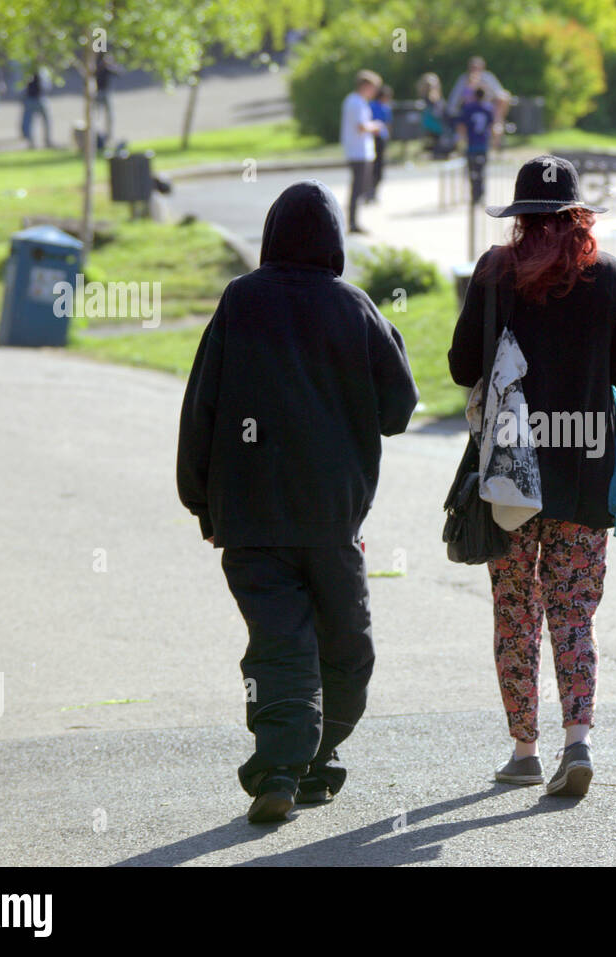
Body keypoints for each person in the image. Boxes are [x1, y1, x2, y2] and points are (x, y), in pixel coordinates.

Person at [176, 180, 419, 824]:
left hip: (249, 518)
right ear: (336, 241)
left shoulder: (240, 301)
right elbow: (399, 410)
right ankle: (300, 761)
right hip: (331, 518)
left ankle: (293, 763)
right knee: (347, 646)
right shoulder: (356, 307)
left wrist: (200, 501)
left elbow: (200, 406)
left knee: (279, 641)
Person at [447, 155, 616, 797]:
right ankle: (578, 742)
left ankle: (524, 750)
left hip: (510, 472)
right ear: (578, 215)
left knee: (515, 611)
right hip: (586, 472)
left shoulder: (493, 273)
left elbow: (460, 367)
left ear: (519, 217)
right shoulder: (610, 275)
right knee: (573, 613)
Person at [340, 70, 384, 234]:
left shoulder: (356, 101)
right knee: (357, 188)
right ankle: (352, 222)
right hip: (358, 151)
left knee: (359, 187)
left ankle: (353, 221)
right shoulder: (356, 102)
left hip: (359, 150)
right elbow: (361, 126)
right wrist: (376, 126)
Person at [448, 57, 510, 149]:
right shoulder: (463, 80)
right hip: (469, 112)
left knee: (502, 100)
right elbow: (454, 102)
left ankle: (496, 140)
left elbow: (500, 94)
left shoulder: (488, 78)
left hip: (486, 110)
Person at [457, 86, 496, 204]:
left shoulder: (468, 108)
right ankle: (481, 194)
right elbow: (492, 126)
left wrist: (462, 140)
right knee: (482, 171)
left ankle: (475, 194)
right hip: (483, 144)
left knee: (472, 171)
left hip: (472, 145)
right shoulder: (488, 108)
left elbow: (462, 126)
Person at [367, 85, 393, 202]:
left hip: (380, 138)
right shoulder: (375, 106)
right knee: (375, 166)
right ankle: (370, 192)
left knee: (378, 167)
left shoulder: (383, 107)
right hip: (375, 138)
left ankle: (373, 192)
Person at [20, 66, 54, 149]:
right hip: (40, 99)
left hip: (31, 99)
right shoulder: (43, 71)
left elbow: (21, 88)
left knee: (29, 122)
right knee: (46, 121)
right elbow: (47, 86)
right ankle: (47, 141)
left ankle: (32, 142)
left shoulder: (27, 72)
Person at [95, 53, 122, 143]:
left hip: (106, 92)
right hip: (96, 93)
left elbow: (119, 73)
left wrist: (111, 65)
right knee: (96, 116)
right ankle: (97, 136)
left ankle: (109, 136)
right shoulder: (96, 65)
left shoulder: (107, 68)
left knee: (110, 116)